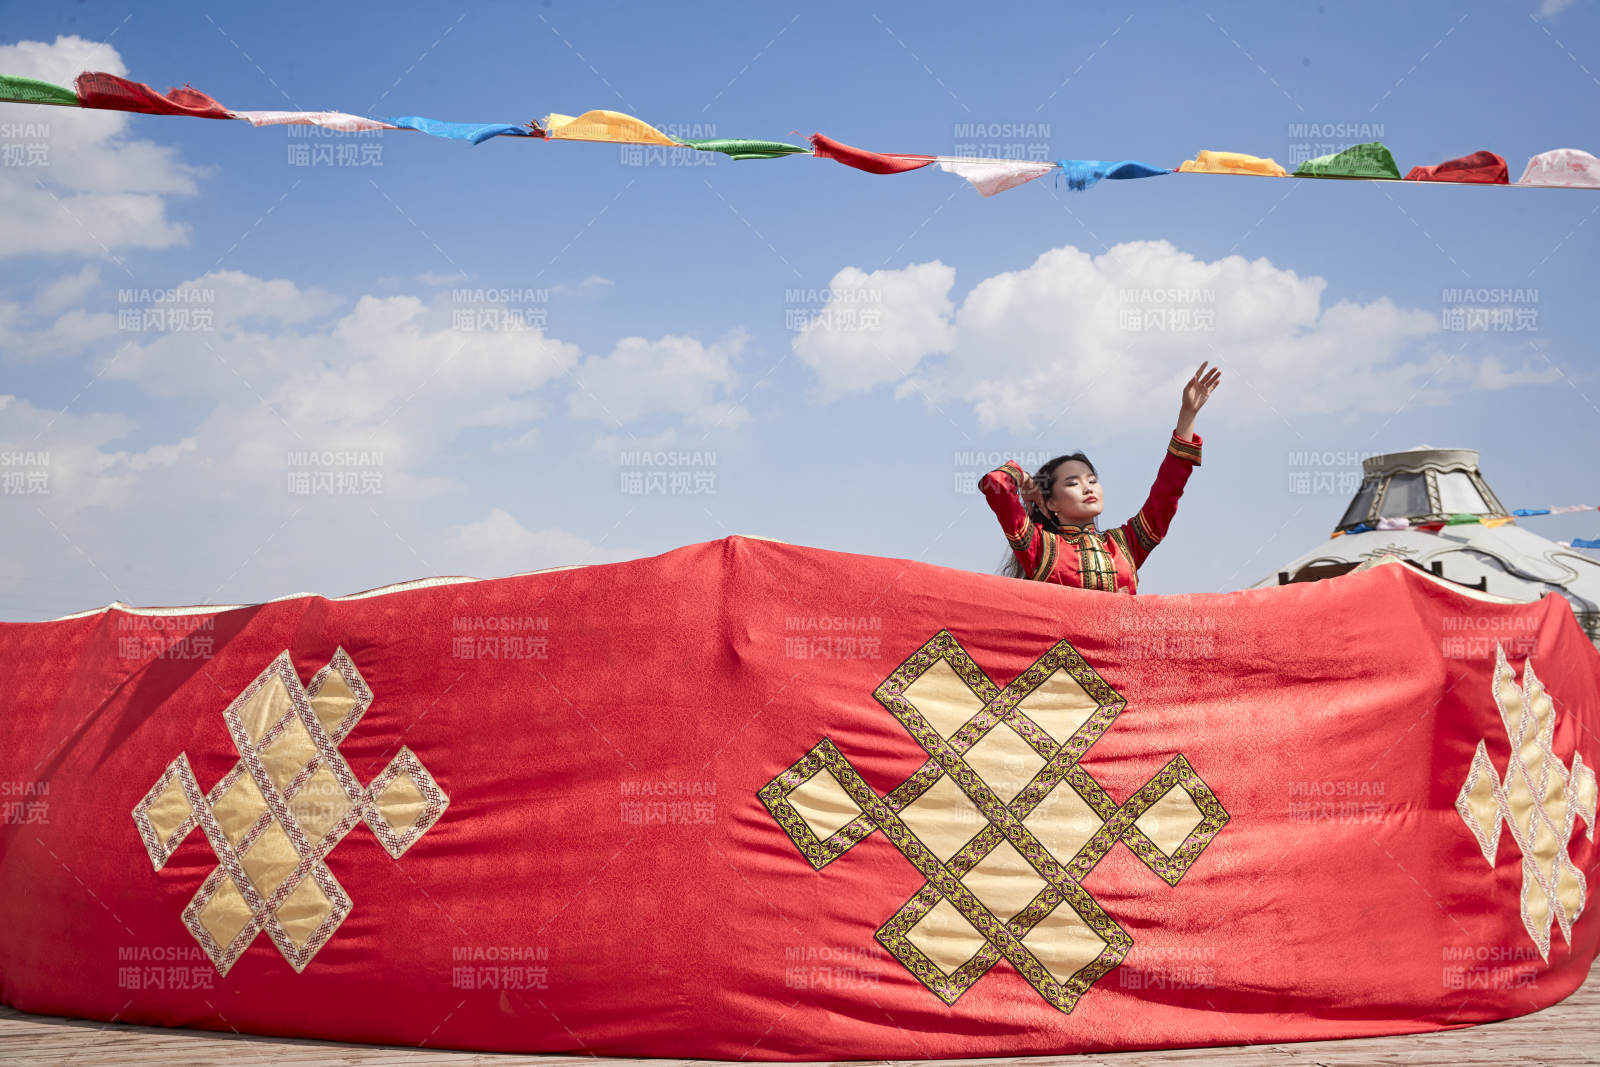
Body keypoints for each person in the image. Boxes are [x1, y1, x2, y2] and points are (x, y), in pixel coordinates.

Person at [980, 361, 1221, 594]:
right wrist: (1024, 479)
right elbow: (995, 482)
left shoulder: (1125, 545)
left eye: (1092, 480)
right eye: (1073, 483)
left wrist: (1187, 415)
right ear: (1051, 503)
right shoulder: (1041, 548)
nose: (1087, 488)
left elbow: (1167, 492)